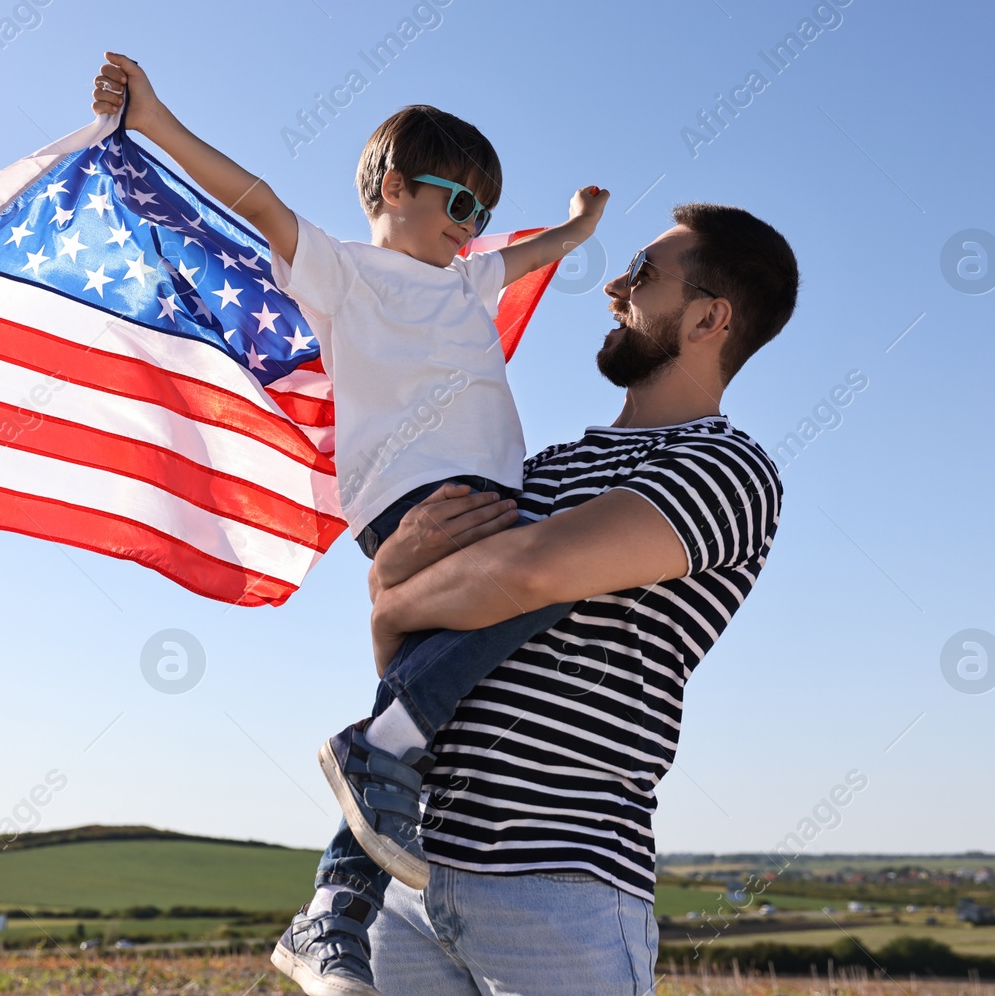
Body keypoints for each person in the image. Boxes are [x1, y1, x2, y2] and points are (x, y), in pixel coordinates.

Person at [87, 56, 615, 986]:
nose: (470, 229)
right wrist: (156, 119)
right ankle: (376, 764)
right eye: (458, 203)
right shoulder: (347, 271)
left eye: (483, 215)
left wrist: (580, 225)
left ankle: (335, 904)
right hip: (416, 500)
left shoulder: (467, 282)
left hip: (489, 496)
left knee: (457, 663)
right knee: (564, 573)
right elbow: (252, 197)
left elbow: (534, 255)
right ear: (395, 188)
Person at [276, 204, 799, 995]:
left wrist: (392, 593)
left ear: (707, 318)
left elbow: (527, 574)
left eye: (644, 276)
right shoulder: (535, 469)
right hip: (407, 878)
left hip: (556, 888)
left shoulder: (725, 468)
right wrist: (391, 595)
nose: (615, 287)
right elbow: (409, 661)